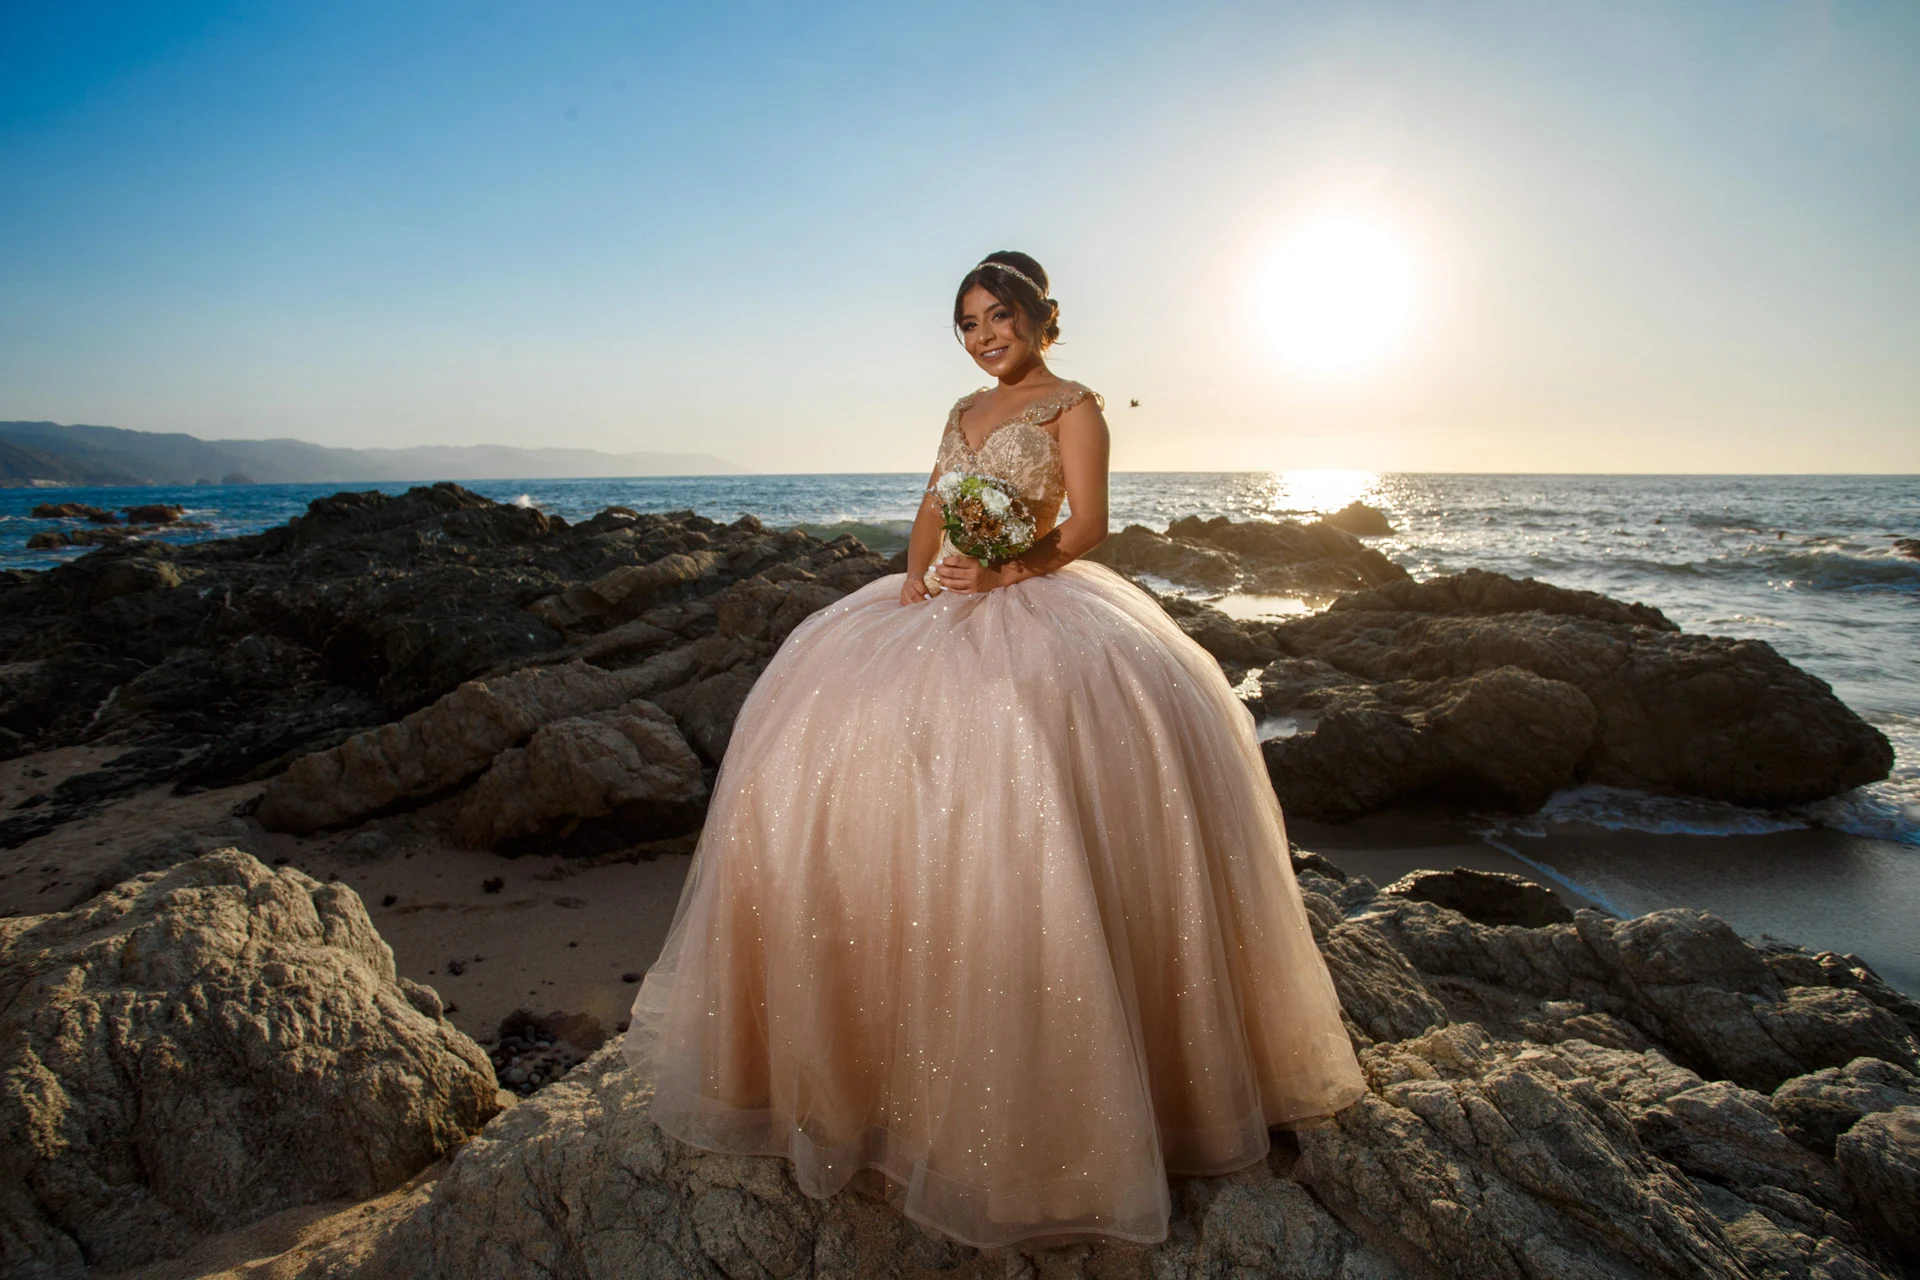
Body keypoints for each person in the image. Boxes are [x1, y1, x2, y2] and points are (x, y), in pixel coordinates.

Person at [624, 251, 1366, 1248]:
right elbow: (936, 505)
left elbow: (1089, 523)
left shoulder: (1076, 407)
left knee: (1029, 778)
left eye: (998, 315)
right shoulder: (962, 411)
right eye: (968, 322)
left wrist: (1009, 568)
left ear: (1038, 317)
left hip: (1034, 596)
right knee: (839, 743)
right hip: (945, 597)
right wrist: (914, 579)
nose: (983, 335)